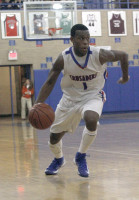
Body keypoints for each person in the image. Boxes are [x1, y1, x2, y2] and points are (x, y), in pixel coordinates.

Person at [35, 24, 129, 177]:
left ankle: (81, 156)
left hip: (92, 96)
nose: (85, 42)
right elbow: (50, 82)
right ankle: (59, 160)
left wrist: (125, 77)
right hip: (69, 99)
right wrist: (38, 104)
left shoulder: (99, 54)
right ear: (72, 40)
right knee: (53, 138)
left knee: (91, 119)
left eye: (87, 38)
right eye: (81, 38)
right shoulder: (63, 58)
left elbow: (123, 55)